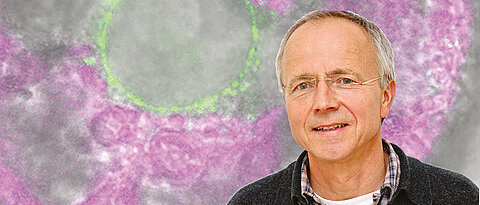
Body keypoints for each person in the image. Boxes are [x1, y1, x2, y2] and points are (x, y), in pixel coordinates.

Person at [228, 10, 479, 205]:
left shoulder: (458, 197)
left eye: (345, 81)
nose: (323, 103)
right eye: (303, 85)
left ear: (385, 97)